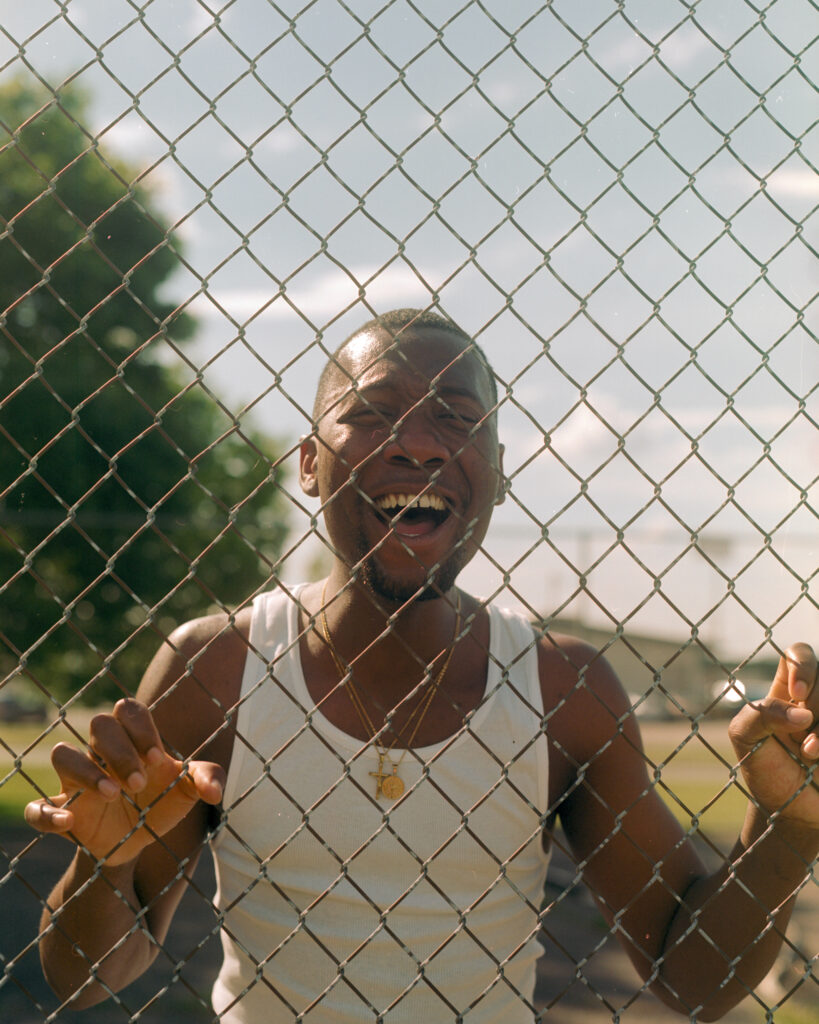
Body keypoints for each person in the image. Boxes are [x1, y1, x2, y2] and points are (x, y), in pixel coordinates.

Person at [26, 309, 819, 1022]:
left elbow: (695, 979)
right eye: (371, 414)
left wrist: (787, 830)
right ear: (308, 463)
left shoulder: (563, 691)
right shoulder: (216, 666)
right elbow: (87, 975)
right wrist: (102, 865)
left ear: (498, 471)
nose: (417, 441)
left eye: (456, 418)